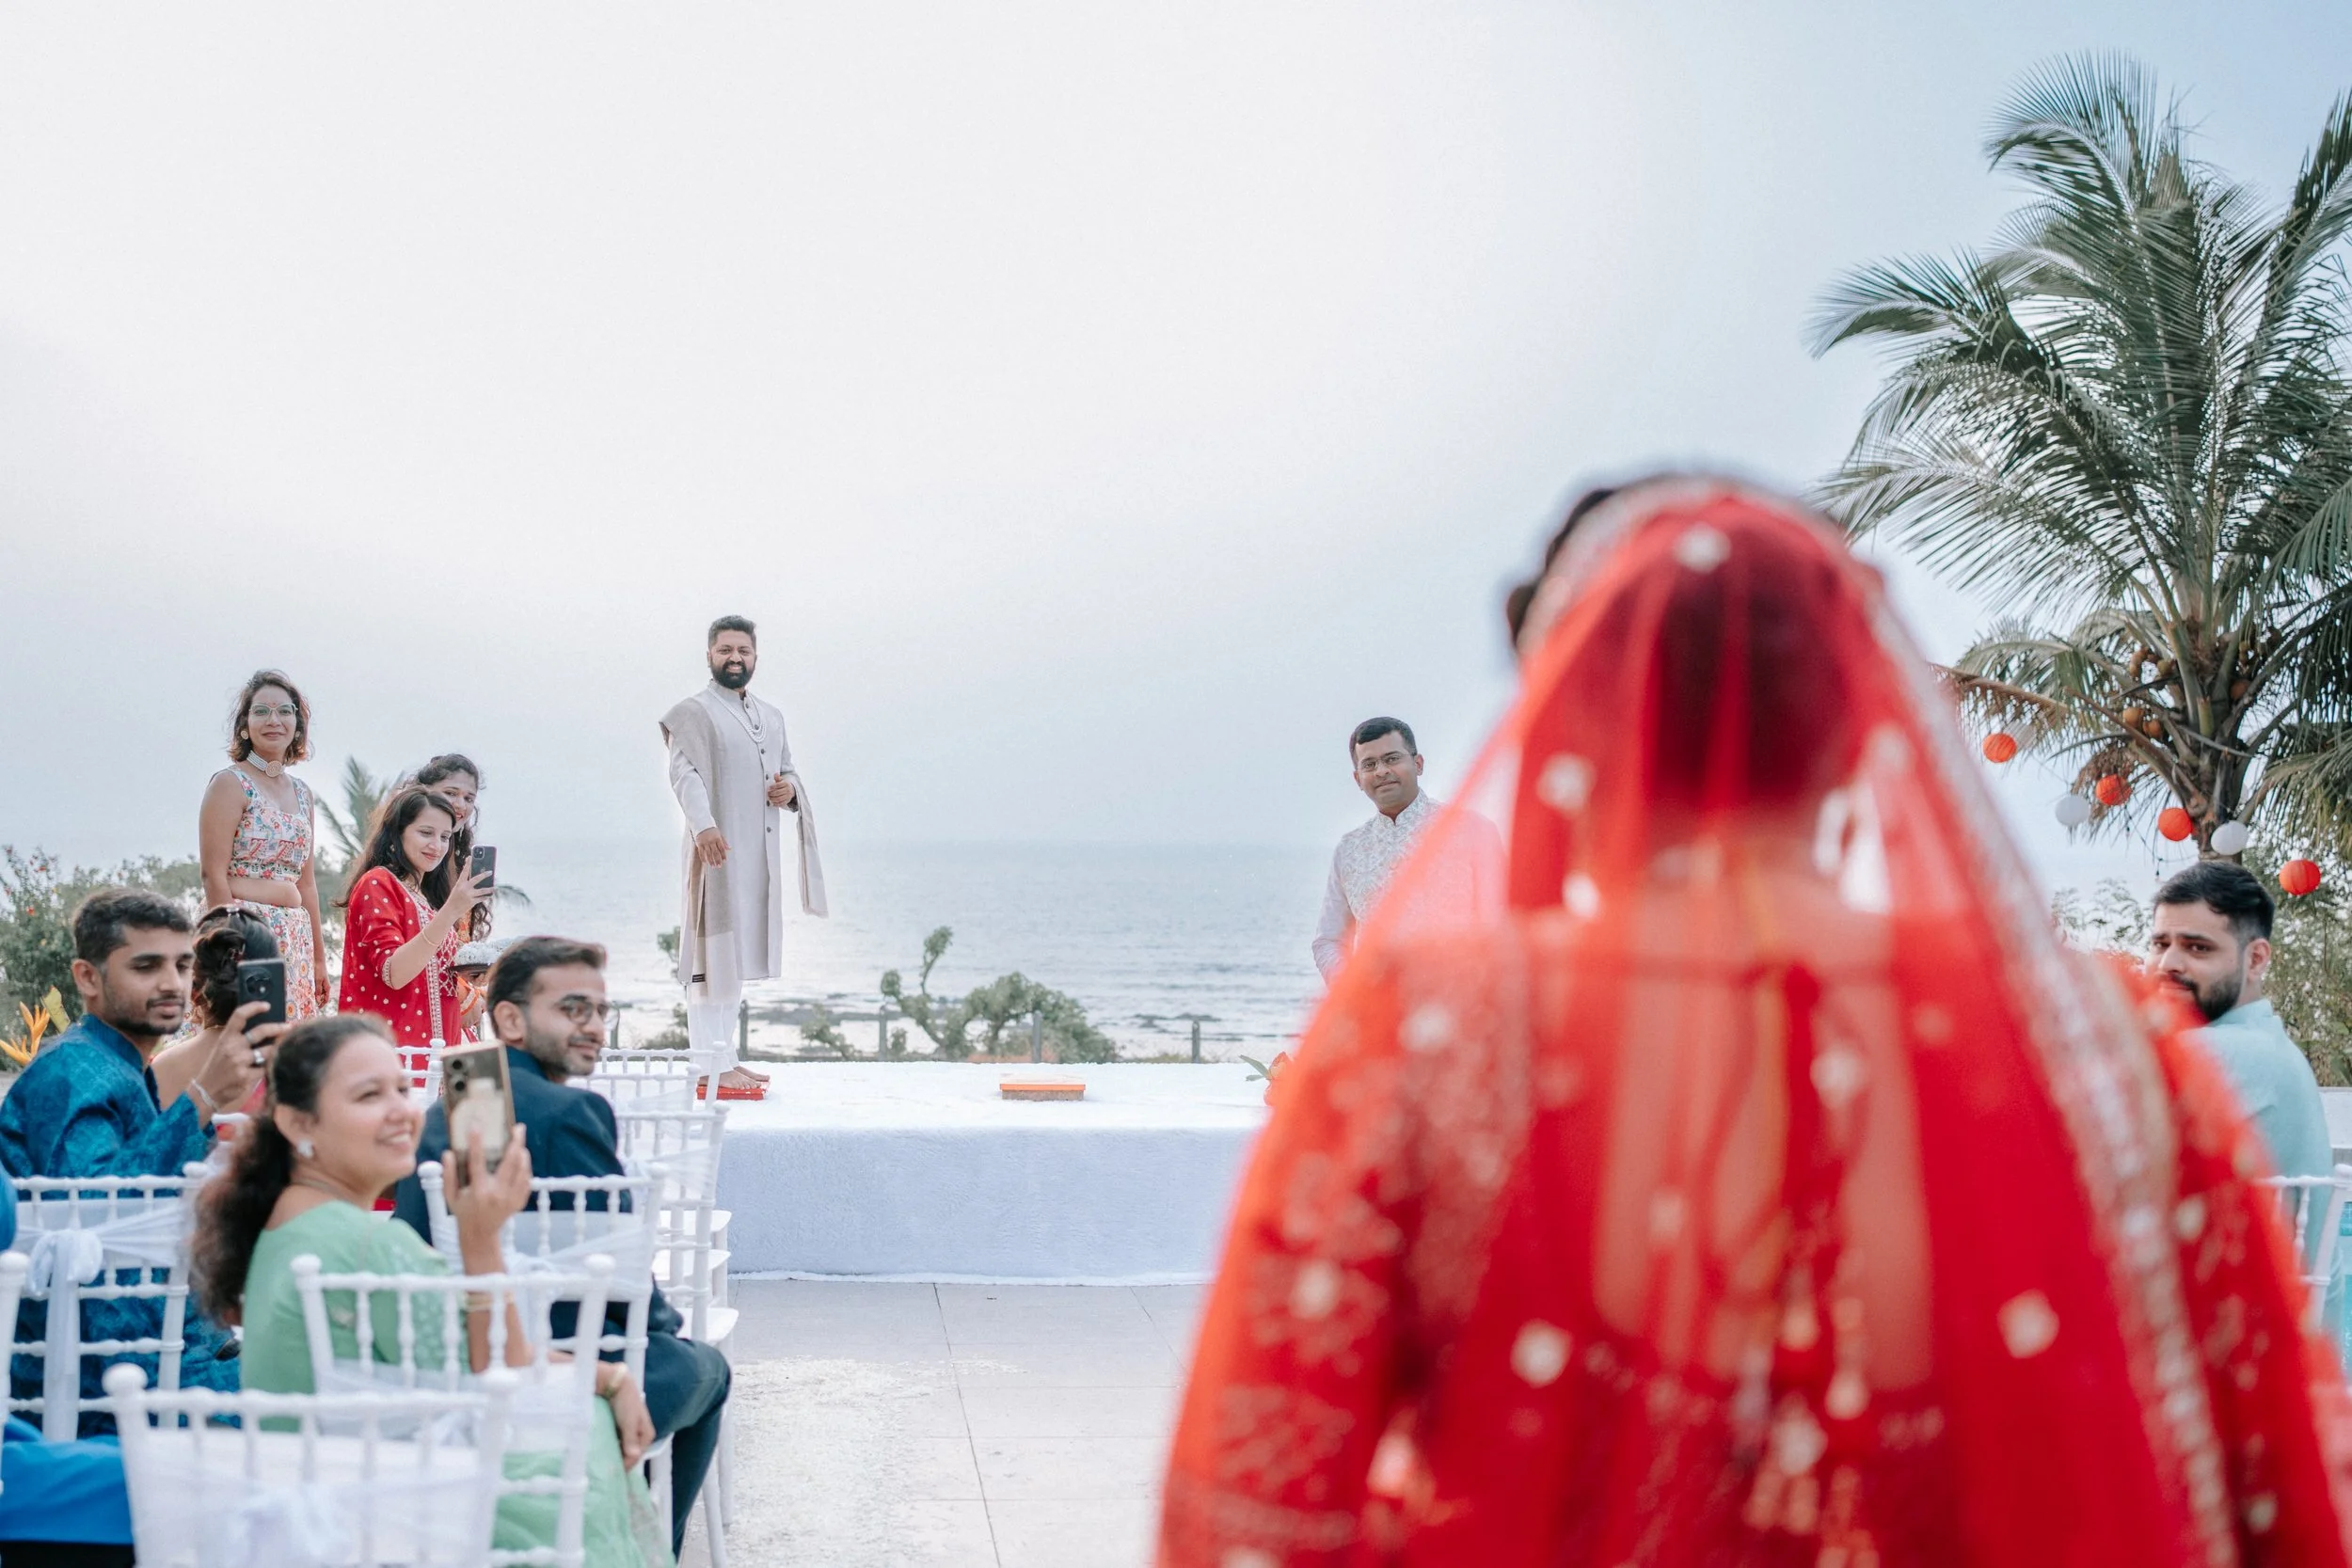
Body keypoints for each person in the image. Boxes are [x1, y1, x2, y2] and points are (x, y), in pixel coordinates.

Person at [1159, 479, 2352, 1566]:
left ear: (1571, 726)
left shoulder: (1424, 1044)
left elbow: (1249, 1519)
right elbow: (2277, 1501)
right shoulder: (2104, 1052)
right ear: (1859, 725)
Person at [190, 1014, 668, 1568]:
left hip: (323, 1507)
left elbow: (470, 1362)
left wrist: (608, 1375)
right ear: (300, 1124)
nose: (401, 1111)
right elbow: (499, 1377)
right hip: (391, 1518)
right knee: (587, 1440)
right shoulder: (368, 1247)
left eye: (403, 1088)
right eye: (370, 1095)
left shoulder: (284, 1224)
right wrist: (481, 1238)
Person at [392, 938, 733, 1554]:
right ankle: (651, 1547)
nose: (594, 1027)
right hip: (564, 1360)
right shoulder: (573, 1111)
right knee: (707, 1366)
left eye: (601, 1010)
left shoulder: (450, 1103)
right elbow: (620, 1267)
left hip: (460, 1363)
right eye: (573, 1009)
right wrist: (663, 1325)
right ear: (510, 1018)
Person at [0, 889, 269, 1426]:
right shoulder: (73, 1073)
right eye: (146, 966)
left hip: (170, 1341)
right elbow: (98, 1213)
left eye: (182, 964)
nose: (171, 982)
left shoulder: (117, 1066)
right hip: (110, 1373)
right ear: (88, 978)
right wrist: (201, 1098)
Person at [661, 613, 827, 1094]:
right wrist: (704, 826)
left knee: (735, 959)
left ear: (755, 656)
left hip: (760, 857)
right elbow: (684, 774)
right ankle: (706, 1066)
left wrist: (789, 792)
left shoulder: (771, 716)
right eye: (725, 650)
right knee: (711, 959)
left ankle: (724, 1056)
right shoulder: (693, 712)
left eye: (743, 651)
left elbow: (788, 769)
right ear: (709, 655)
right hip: (716, 851)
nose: (735, 658)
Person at [2151, 860, 2333, 1182]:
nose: (2168, 963)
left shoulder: (2219, 1051)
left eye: (2197, 947)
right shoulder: (2270, 1045)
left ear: (2256, 959)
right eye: (2160, 944)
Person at [1311, 719, 1502, 982]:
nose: (1381, 771)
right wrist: (1354, 992)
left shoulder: (1472, 831)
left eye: (1392, 759)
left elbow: (1500, 926)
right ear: (1358, 778)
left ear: (1418, 764)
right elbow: (1328, 941)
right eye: (1369, 764)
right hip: (1377, 1014)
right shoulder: (1349, 849)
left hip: (1458, 1007)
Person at [197, 670, 329, 1020]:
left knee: (287, 1056)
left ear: (297, 725)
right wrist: (231, 949)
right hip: (246, 936)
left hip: (295, 942)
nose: (274, 720)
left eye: (285, 711)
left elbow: (307, 882)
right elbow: (213, 875)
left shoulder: (303, 794)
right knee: (244, 1043)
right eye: (262, 711)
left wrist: (318, 958)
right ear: (244, 725)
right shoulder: (230, 784)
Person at [336, 785, 491, 1052]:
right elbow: (394, 973)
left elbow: (431, 971)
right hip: (395, 1055)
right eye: (425, 833)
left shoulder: (423, 898)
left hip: (436, 1052)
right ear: (397, 833)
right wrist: (452, 910)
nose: (437, 846)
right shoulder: (378, 883)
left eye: (445, 837)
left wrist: (471, 975)